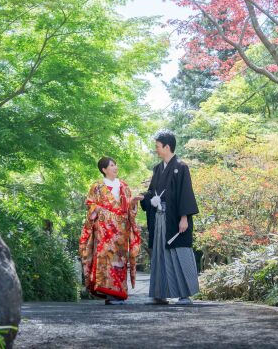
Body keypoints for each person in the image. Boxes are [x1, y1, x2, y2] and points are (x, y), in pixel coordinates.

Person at [140, 130, 200, 305]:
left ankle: (184, 294)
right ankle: (161, 293)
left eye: (157, 147)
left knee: (179, 251)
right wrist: (143, 197)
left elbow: (185, 194)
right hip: (159, 218)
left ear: (167, 146)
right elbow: (152, 191)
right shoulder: (158, 169)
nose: (156, 150)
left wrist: (184, 218)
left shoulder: (181, 167)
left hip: (175, 217)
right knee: (160, 252)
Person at [79, 156, 144, 304]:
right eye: (112, 165)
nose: (115, 167)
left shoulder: (124, 186)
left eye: (115, 165)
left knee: (120, 260)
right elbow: (90, 205)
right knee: (105, 258)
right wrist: (101, 211)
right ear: (104, 169)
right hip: (104, 229)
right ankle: (108, 292)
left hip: (121, 229)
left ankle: (119, 293)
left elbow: (129, 209)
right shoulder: (97, 186)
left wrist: (133, 203)